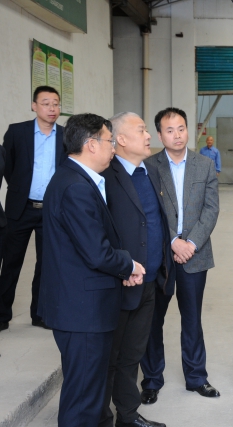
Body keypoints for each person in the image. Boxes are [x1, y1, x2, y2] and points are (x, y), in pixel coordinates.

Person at [37, 113, 145, 427]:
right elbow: (96, 252)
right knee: (83, 400)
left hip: (81, 307)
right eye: (110, 141)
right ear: (91, 144)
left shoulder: (75, 179)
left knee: (89, 393)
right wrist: (129, 264)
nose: (113, 148)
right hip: (82, 311)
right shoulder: (75, 187)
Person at [99, 112, 175, 427]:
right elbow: (100, 233)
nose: (148, 136)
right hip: (119, 283)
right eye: (141, 130)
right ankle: (101, 417)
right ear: (120, 140)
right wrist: (123, 268)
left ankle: (127, 416)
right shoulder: (106, 175)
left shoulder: (150, 171)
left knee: (132, 355)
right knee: (110, 357)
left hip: (150, 281)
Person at [140, 107, 220, 404]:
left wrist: (191, 244)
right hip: (159, 255)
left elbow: (211, 209)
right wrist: (173, 241)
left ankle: (196, 377)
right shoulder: (148, 167)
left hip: (195, 256)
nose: (177, 135)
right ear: (160, 135)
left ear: (189, 131)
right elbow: (148, 212)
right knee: (152, 320)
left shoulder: (205, 165)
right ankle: (151, 379)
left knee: (192, 319)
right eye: (170, 130)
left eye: (181, 128)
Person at [0, 85, 66, 332]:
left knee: (47, 265)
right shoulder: (17, 132)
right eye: (46, 103)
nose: (52, 108)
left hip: (51, 210)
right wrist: (19, 190)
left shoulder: (65, 136)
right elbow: (7, 166)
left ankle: (40, 314)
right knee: (11, 262)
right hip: (21, 208)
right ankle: (2, 314)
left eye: (56, 104)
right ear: (34, 106)